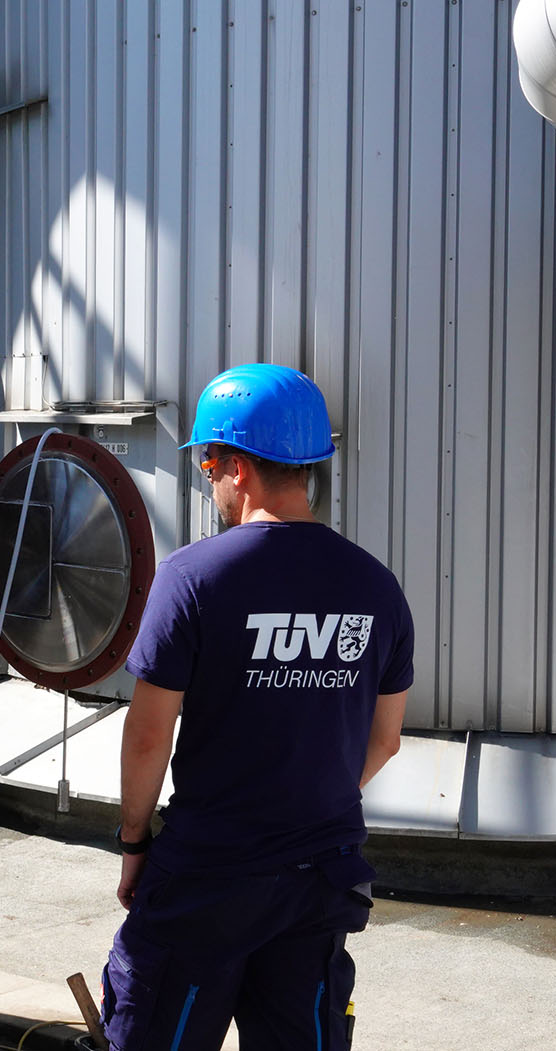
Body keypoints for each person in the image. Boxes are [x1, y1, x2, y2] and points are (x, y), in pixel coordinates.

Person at [99, 363, 413, 1050]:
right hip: (321, 878)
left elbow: (149, 735)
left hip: (207, 878)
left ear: (237, 467)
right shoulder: (376, 587)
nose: (207, 478)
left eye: (208, 463)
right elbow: (386, 738)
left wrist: (134, 843)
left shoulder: (193, 578)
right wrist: (309, 799)